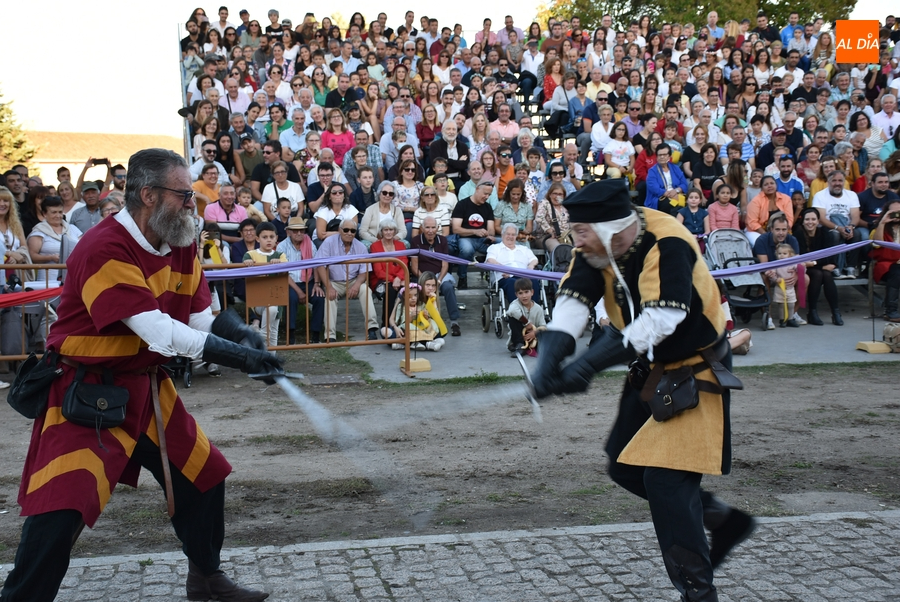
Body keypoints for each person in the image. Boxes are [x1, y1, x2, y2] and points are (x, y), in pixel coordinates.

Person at [1, 149, 278, 602]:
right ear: (148, 195)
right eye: (184, 194)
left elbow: (198, 317)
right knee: (62, 506)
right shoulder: (103, 247)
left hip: (146, 387)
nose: (194, 203)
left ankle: (206, 579)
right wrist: (234, 357)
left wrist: (241, 336)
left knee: (203, 475)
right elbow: (157, 329)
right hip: (86, 391)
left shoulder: (182, 238)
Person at [530, 179, 753, 602]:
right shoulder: (595, 245)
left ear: (612, 228)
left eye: (580, 232)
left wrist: (586, 366)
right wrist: (549, 362)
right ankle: (723, 520)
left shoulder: (668, 241)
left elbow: (661, 320)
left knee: (667, 483)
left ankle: (698, 594)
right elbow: (574, 301)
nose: (574, 239)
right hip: (650, 370)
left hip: (694, 371)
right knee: (624, 467)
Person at [314, 218, 380, 343]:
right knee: (330, 296)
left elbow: (364, 271)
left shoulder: (361, 246)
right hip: (334, 281)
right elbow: (320, 265)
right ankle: (330, 336)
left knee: (365, 290)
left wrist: (357, 285)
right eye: (346, 230)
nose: (349, 233)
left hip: (353, 280)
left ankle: (371, 328)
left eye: (353, 231)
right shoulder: (329, 242)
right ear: (340, 230)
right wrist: (328, 286)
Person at [409, 216, 462, 336]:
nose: (430, 230)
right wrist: (426, 281)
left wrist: (438, 281)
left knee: (448, 287)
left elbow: (445, 265)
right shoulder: (416, 241)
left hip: (439, 275)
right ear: (422, 228)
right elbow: (414, 267)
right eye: (427, 227)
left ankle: (454, 322)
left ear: (438, 228)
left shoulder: (442, 240)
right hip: (422, 275)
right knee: (417, 291)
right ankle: (419, 321)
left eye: (433, 227)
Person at [276, 217, 325, 344]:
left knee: (319, 297)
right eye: (295, 231)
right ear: (289, 232)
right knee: (291, 298)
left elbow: (316, 264)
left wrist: (317, 284)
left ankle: (315, 335)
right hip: (290, 283)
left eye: (301, 231)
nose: (299, 234)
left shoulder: (309, 243)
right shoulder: (282, 246)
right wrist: (299, 292)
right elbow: (283, 273)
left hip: (308, 281)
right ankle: (290, 334)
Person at [794, 207, 841, 326]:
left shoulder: (825, 233)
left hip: (818, 267)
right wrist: (818, 264)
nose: (810, 222)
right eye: (807, 219)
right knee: (819, 273)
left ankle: (835, 312)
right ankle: (812, 311)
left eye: (813, 219)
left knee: (826, 275)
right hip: (805, 268)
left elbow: (830, 256)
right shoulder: (798, 234)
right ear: (803, 221)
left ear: (818, 221)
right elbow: (803, 258)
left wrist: (815, 263)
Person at [812, 170, 863, 279]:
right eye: (834, 180)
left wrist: (851, 227)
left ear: (844, 182)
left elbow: (855, 216)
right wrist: (838, 228)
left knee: (857, 234)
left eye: (840, 180)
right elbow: (821, 218)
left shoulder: (851, 195)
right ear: (828, 182)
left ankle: (850, 267)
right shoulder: (820, 196)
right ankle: (834, 267)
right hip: (827, 227)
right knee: (835, 234)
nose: (837, 183)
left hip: (846, 225)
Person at [242, 222, 286, 348]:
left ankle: (270, 362)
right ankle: (262, 336)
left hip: (277, 299)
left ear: (276, 238)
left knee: (274, 334)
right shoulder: (250, 254)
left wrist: (279, 264)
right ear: (257, 239)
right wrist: (248, 263)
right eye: (264, 237)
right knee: (271, 308)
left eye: (271, 237)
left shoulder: (280, 255)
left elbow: (286, 267)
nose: (268, 240)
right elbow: (244, 263)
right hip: (258, 300)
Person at [27, 196, 83, 285]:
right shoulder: (38, 232)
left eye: (60, 212)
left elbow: (83, 248)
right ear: (44, 214)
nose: (58, 216)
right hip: (48, 281)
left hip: (73, 278)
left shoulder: (73, 228)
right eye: (54, 212)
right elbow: (32, 256)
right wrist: (51, 257)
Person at [451, 181, 496, 289]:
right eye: (485, 193)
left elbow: (491, 228)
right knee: (466, 250)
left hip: (483, 240)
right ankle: (462, 278)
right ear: (477, 189)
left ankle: (499, 278)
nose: (487, 197)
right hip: (466, 238)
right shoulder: (462, 204)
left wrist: (489, 234)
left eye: (489, 195)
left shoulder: (487, 207)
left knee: (502, 245)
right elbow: (456, 229)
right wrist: (474, 231)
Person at [486, 222, 542, 305]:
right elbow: (490, 260)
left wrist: (530, 266)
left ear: (516, 236)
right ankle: (516, 313)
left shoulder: (524, 249)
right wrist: (504, 269)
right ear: (502, 235)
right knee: (512, 283)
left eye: (513, 234)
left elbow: (534, 259)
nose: (510, 237)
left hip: (523, 275)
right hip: (505, 277)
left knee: (533, 281)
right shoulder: (495, 248)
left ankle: (533, 310)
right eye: (508, 234)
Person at [369, 219, 409, 327]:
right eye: (385, 230)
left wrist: (399, 278)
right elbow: (378, 271)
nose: (388, 232)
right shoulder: (375, 246)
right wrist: (393, 280)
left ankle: (404, 323)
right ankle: (387, 324)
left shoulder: (401, 245)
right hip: (380, 280)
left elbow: (404, 263)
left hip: (399, 279)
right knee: (390, 290)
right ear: (381, 232)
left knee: (408, 289)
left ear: (395, 231)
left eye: (391, 229)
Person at [872, 199, 900, 322]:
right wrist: (883, 222)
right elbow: (876, 244)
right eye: (893, 212)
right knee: (896, 273)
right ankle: (890, 311)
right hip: (888, 265)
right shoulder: (879, 227)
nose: (896, 215)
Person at [506, 277, 546, 356]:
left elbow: (543, 326)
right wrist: (527, 323)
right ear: (516, 295)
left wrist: (535, 332)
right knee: (512, 317)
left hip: (533, 337)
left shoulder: (538, 309)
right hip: (518, 337)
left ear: (532, 292)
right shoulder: (515, 304)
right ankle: (519, 345)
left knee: (544, 336)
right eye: (520, 293)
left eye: (526, 292)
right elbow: (512, 311)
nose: (524, 296)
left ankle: (531, 347)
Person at [644, 144, 689, 214]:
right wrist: (669, 194)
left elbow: (684, 184)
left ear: (669, 156)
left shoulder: (675, 168)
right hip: (661, 197)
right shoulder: (652, 171)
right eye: (660, 155)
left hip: (677, 194)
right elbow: (653, 188)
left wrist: (676, 191)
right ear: (657, 156)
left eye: (664, 154)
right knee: (670, 205)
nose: (662, 157)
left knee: (691, 201)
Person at [769, 243, 801, 328]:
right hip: (780, 288)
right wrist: (776, 279)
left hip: (790, 288)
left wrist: (797, 271)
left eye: (784, 254)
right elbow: (771, 274)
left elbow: (801, 268)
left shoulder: (792, 263)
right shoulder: (776, 264)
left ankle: (790, 319)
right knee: (781, 305)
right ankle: (782, 320)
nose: (782, 256)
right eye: (779, 254)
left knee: (791, 304)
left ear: (790, 255)